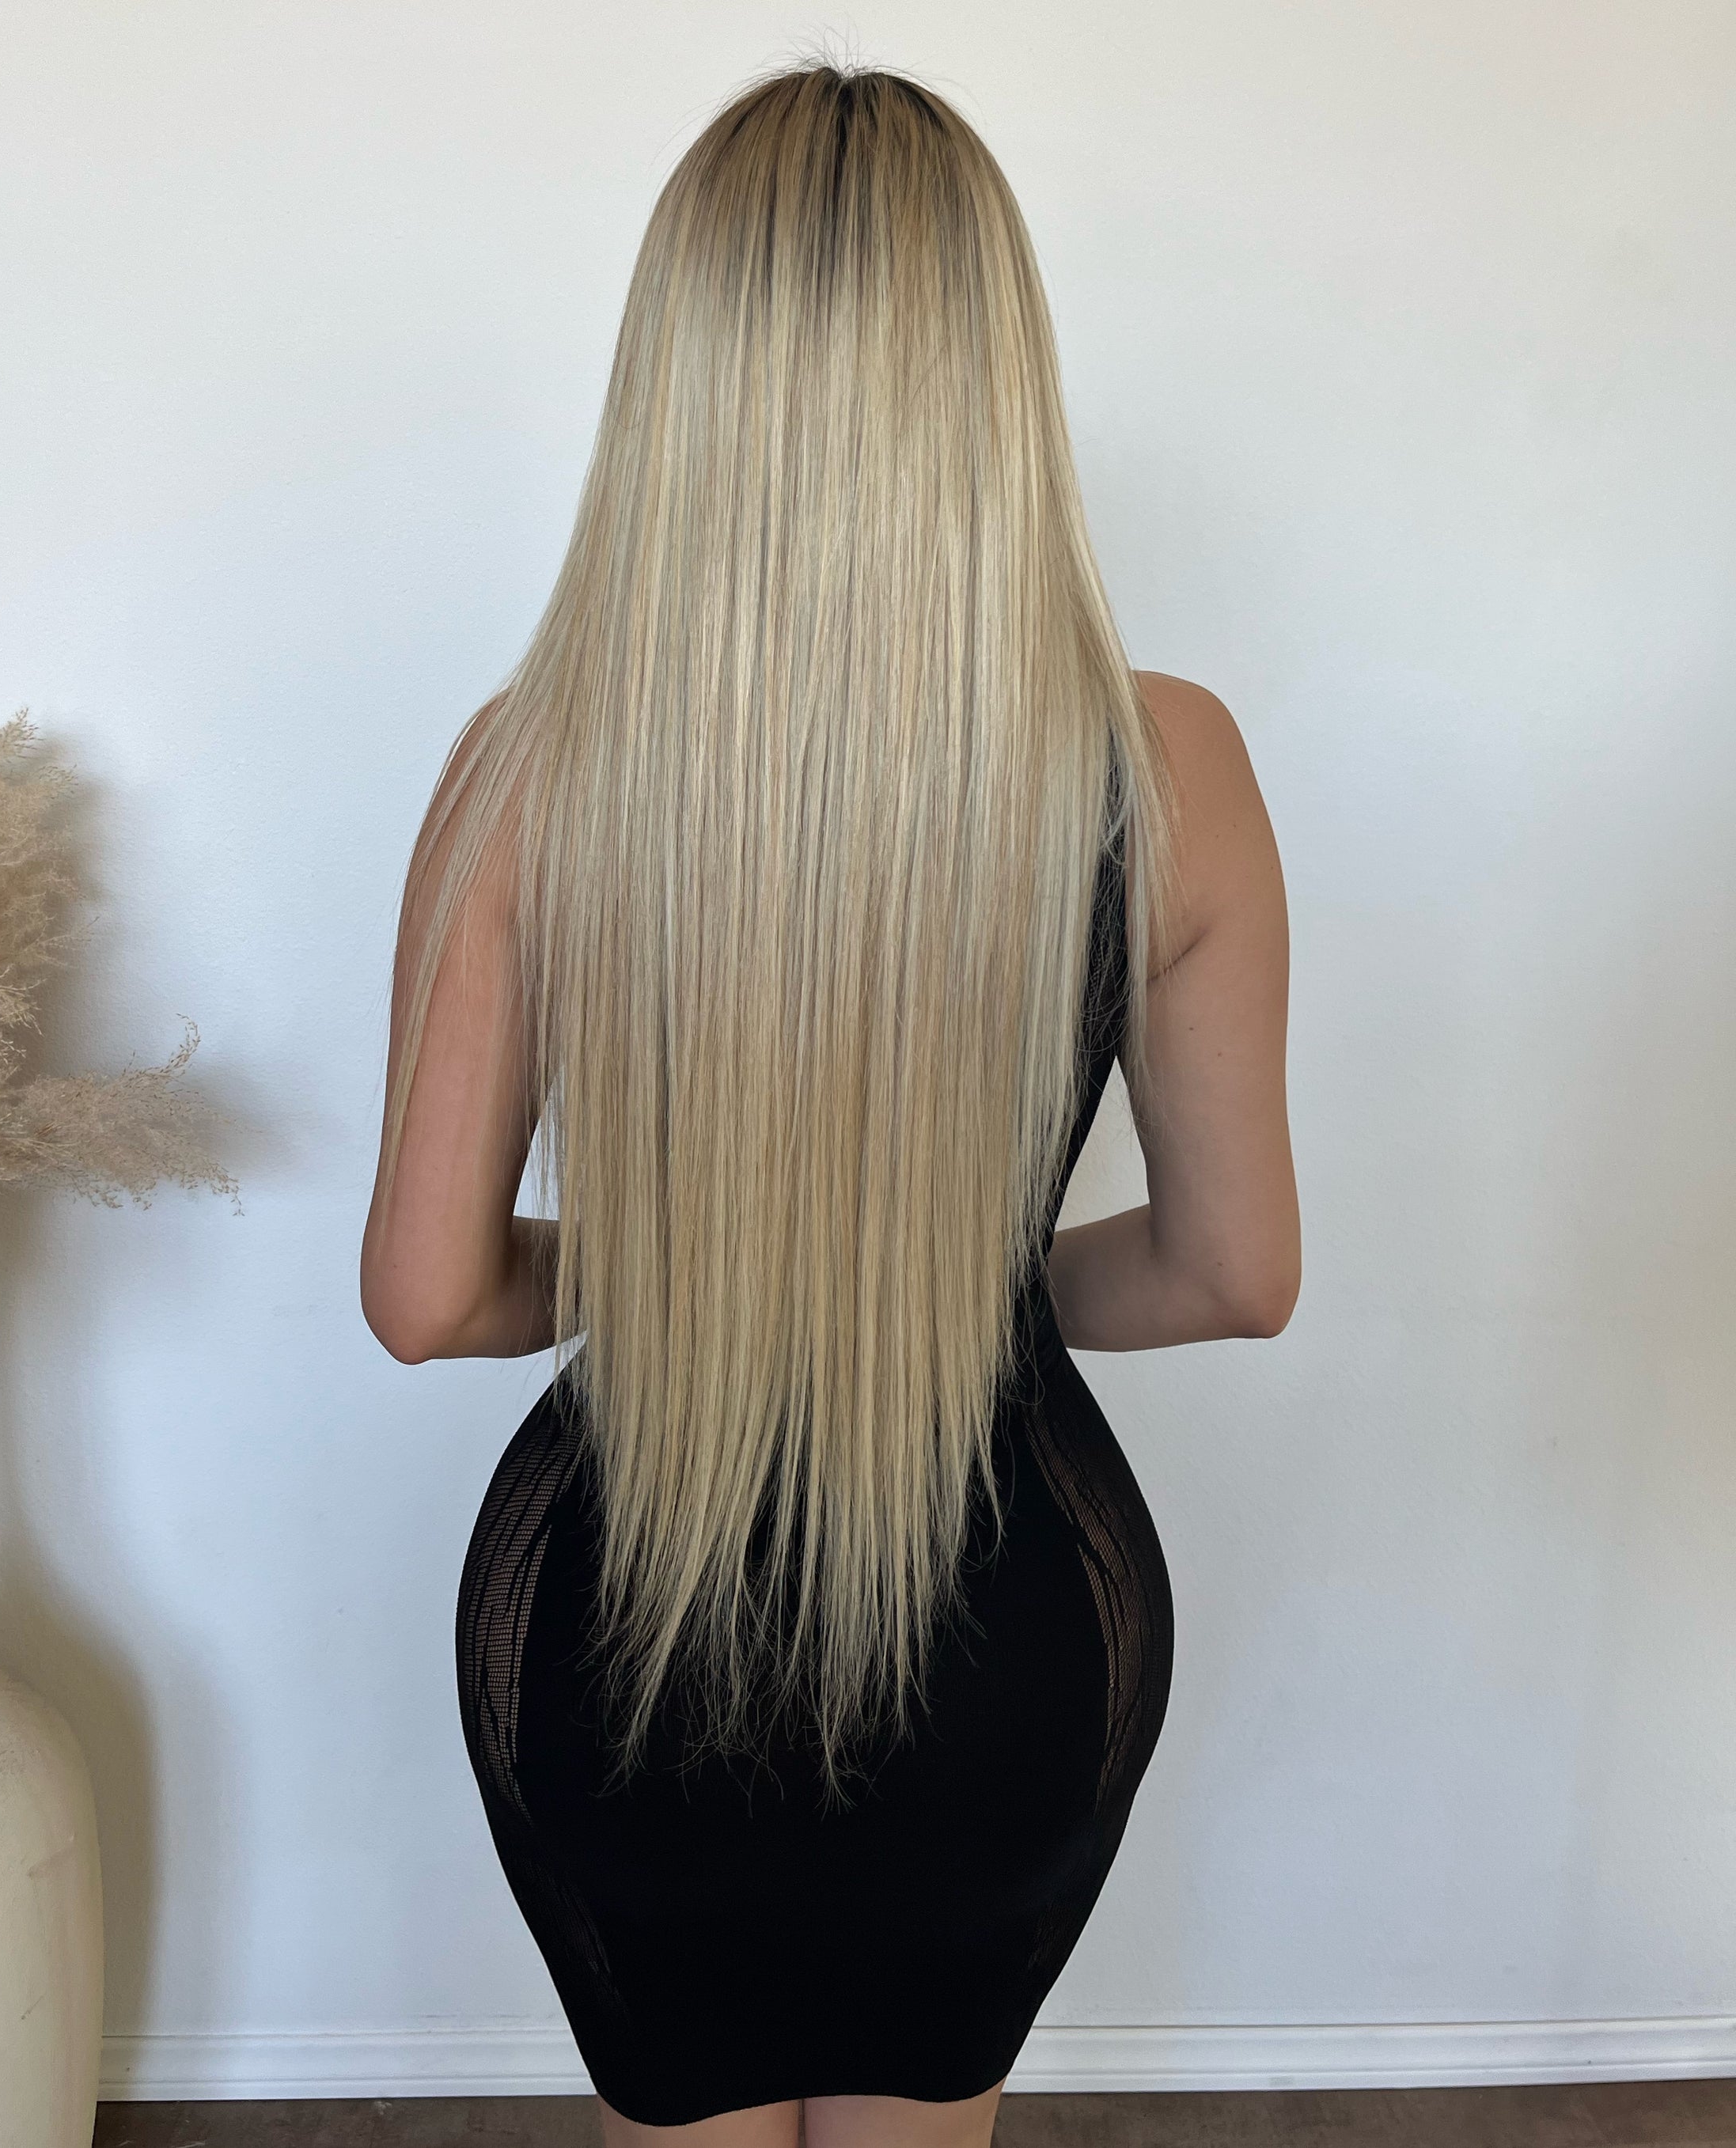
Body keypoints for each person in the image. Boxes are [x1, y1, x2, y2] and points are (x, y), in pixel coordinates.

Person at [360, 59, 1298, 2148]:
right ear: (993, 379)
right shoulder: (1171, 771)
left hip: (623, 1639)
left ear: (678, 386)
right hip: (1003, 1660)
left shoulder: (526, 774)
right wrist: (958, 1279)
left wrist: (689, 1266)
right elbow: (1233, 1273)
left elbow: (426, 1297)